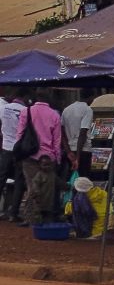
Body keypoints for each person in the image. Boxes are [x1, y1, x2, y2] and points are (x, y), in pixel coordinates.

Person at [17, 91, 63, 226]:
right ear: (49, 99)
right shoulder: (54, 114)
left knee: (32, 188)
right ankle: (46, 216)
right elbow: (57, 141)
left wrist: (19, 153)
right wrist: (57, 158)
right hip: (48, 158)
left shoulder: (26, 111)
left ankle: (30, 217)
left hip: (30, 156)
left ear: (35, 98)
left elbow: (20, 133)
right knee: (47, 190)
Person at [0, 86, 29, 220]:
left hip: (5, 148)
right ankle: (14, 213)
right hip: (19, 150)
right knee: (19, 181)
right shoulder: (25, 110)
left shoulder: (3, 108)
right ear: (24, 97)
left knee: (2, 178)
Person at [60, 89, 94, 180]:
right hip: (83, 151)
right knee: (83, 182)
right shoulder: (87, 109)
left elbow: (62, 133)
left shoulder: (66, 109)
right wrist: (78, 158)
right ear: (91, 97)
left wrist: (68, 152)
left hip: (70, 151)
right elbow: (82, 133)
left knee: (71, 180)